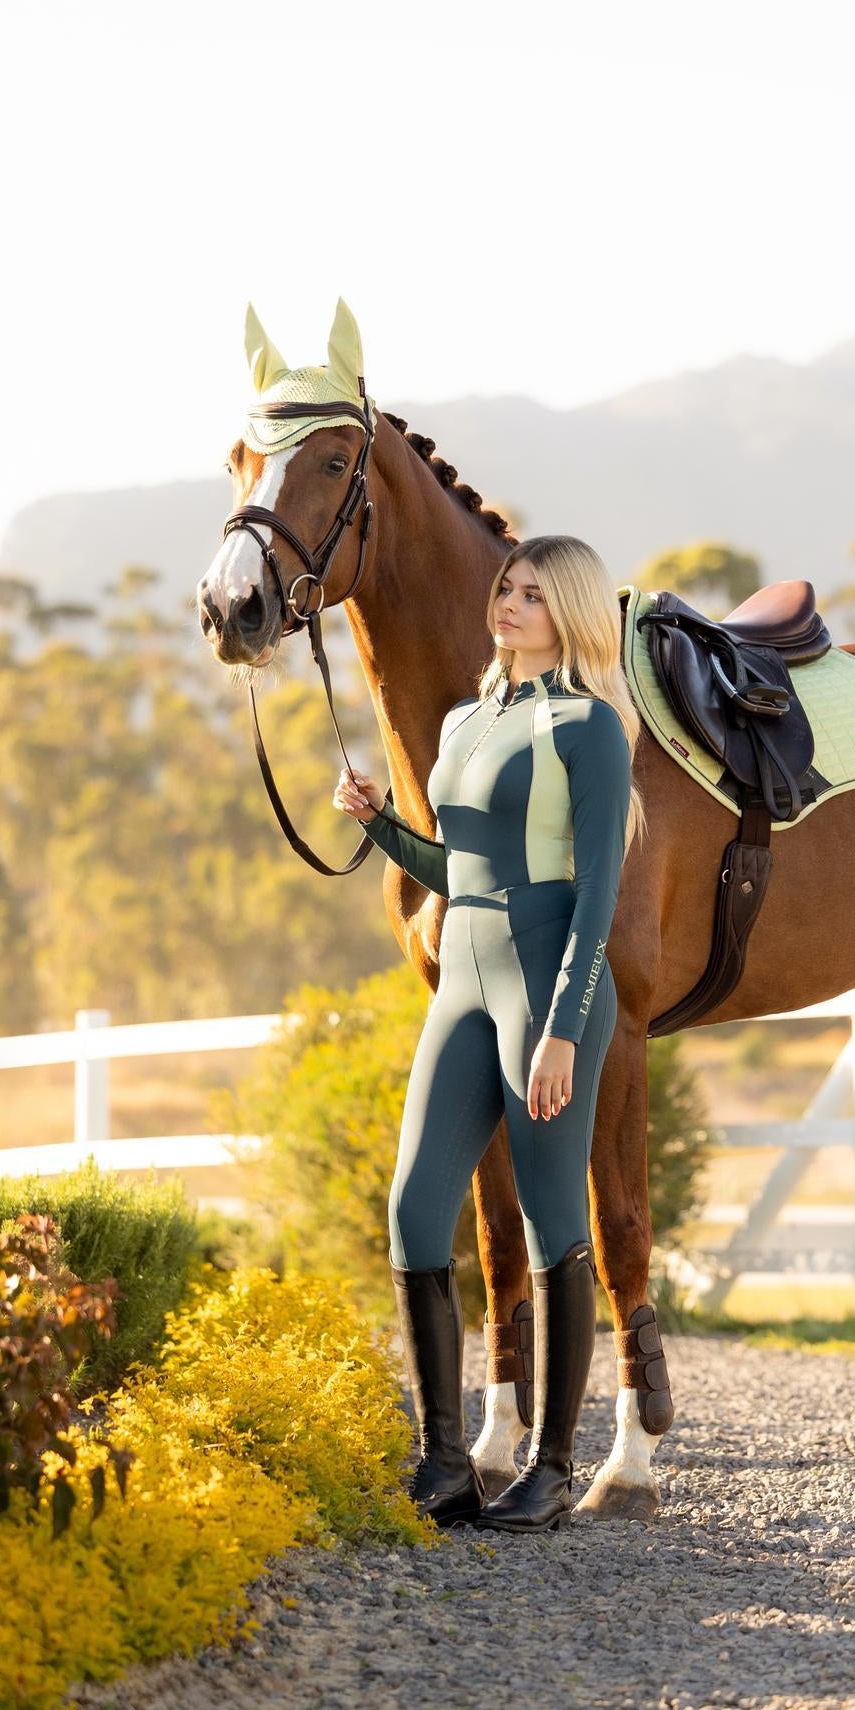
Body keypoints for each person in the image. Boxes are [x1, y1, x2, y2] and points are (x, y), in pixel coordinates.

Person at [334, 535, 645, 1533]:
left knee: (553, 1216)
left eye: (534, 595)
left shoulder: (590, 727)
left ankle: (549, 1468)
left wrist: (562, 1030)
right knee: (415, 1208)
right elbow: (459, 868)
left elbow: (597, 896)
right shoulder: (464, 721)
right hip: (461, 975)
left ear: (573, 613)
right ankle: (442, 1462)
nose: (508, 604)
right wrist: (379, 825)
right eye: (507, 588)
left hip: (547, 982)